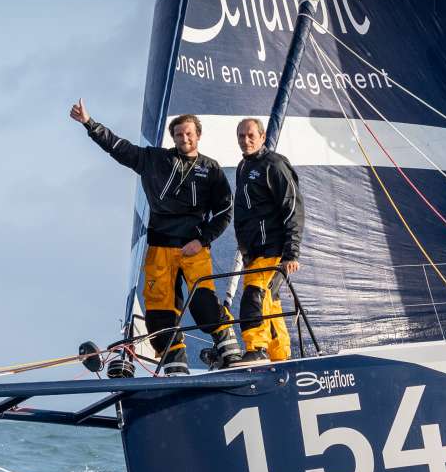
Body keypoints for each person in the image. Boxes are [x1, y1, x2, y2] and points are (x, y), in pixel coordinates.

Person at [69, 99, 242, 375]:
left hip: (194, 248)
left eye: (189, 133)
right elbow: (119, 148)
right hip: (160, 246)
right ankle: (175, 363)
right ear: (172, 138)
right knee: (159, 310)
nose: (184, 138)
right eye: (179, 134)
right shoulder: (155, 160)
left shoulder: (211, 169)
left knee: (202, 304)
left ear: (198, 135)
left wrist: (203, 238)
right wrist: (90, 124)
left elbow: (224, 210)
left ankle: (229, 351)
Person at [232, 117, 304, 363]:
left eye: (251, 135)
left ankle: (256, 348)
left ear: (262, 137)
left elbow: (293, 206)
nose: (246, 140)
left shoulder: (273, 164)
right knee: (269, 301)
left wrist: (291, 253)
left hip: (274, 248)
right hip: (255, 252)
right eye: (241, 136)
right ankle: (279, 354)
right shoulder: (243, 168)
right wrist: (245, 252)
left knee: (255, 293)